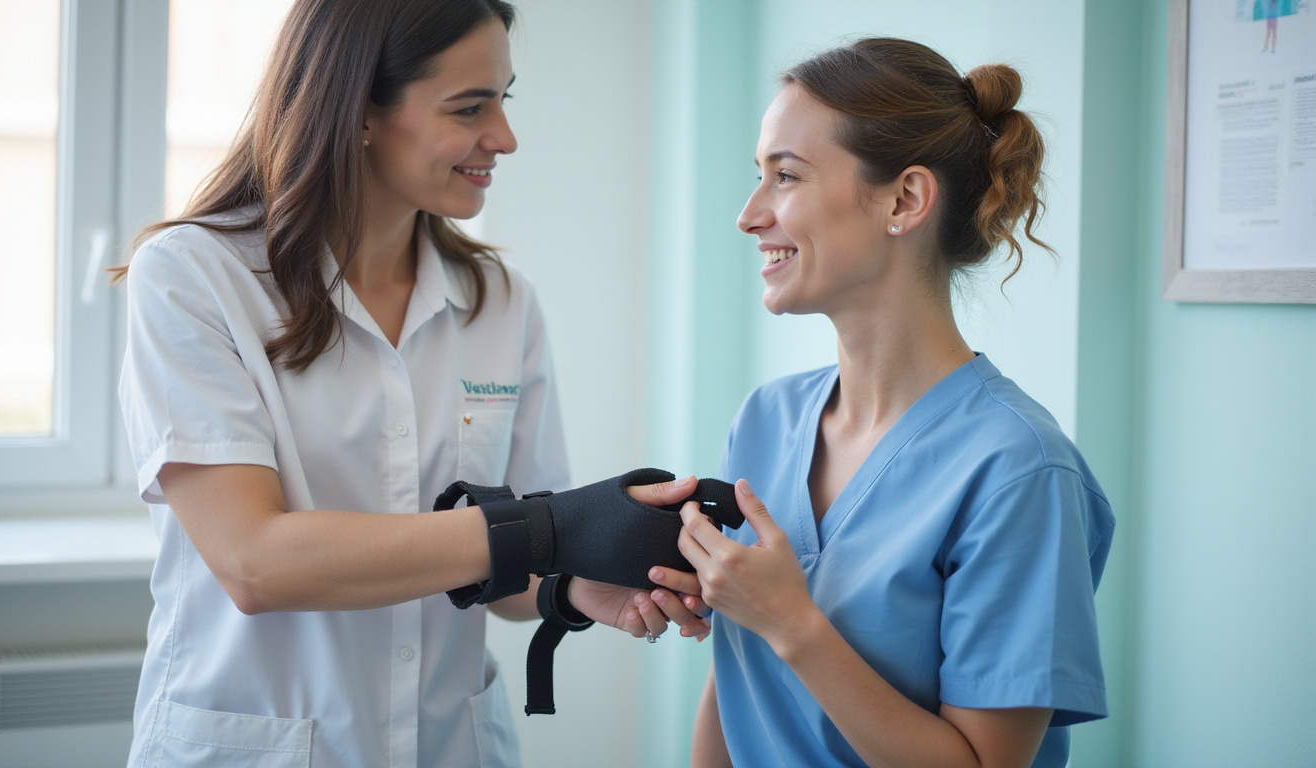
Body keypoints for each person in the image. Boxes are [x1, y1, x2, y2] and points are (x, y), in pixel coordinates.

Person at [114, 1, 707, 766]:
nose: (504, 137)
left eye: (504, 98)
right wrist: (546, 531)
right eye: (468, 107)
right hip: (260, 742)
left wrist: (570, 586)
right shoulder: (195, 278)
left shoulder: (501, 300)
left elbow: (511, 567)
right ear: (359, 109)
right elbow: (254, 561)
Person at [650, 37, 1116, 768]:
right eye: (758, 177)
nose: (748, 216)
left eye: (786, 177)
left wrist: (795, 626)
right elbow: (735, 686)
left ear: (904, 200)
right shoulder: (764, 423)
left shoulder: (1019, 471)